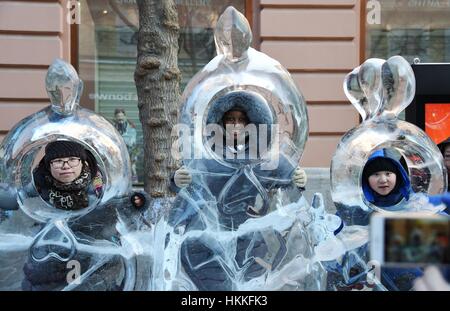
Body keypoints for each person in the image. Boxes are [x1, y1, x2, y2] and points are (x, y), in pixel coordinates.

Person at [168, 94, 307, 290]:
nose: (236, 125)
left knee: (250, 288)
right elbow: (190, 181)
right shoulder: (209, 156)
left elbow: (284, 174)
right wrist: (177, 180)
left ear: (252, 124)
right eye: (230, 120)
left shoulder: (262, 156)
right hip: (211, 234)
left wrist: (297, 177)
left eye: (241, 120)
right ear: (221, 123)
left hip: (250, 236)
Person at [32, 140, 103, 210]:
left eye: (72, 159)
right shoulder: (38, 184)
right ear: (49, 167)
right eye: (58, 161)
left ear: (82, 163)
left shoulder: (98, 184)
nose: (66, 166)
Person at [112, 108, 138, 183]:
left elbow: (132, 140)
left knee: (132, 168)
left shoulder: (131, 127)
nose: (120, 119)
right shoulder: (113, 127)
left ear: (125, 117)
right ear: (115, 118)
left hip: (130, 151)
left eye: (121, 116)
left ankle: (134, 183)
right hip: (118, 152)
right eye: (118, 117)